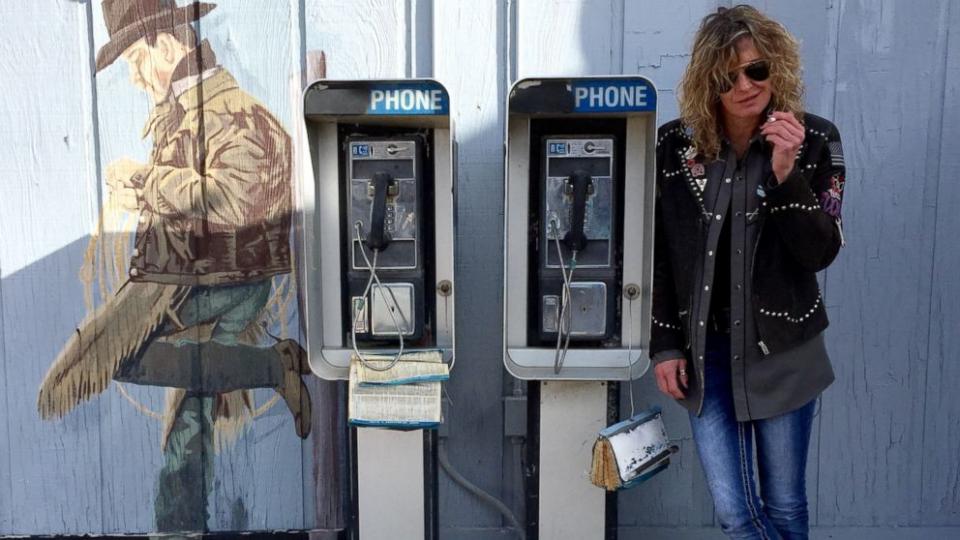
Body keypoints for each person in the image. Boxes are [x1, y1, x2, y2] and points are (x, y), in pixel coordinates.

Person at [37, 0, 310, 532]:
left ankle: (273, 368)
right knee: (192, 411)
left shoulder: (232, 112)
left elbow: (232, 203)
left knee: (122, 357)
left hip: (229, 281)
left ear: (165, 45)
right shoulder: (187, 106)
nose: (135, 76)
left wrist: (145, 183)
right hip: (190, 280)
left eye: (137, 59)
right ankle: (180, 522)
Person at [650, 5, 846, 539]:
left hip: (783, 349)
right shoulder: (675, 145)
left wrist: (786, 175)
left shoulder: (815, 142)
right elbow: (659, 252)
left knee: (784, 506)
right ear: (706, 80)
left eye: (756, 70)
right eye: (727, 75)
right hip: (705, 355)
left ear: (775, 68)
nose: (745, 85)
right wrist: (664, 345)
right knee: (737, 513)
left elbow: (820, 252)